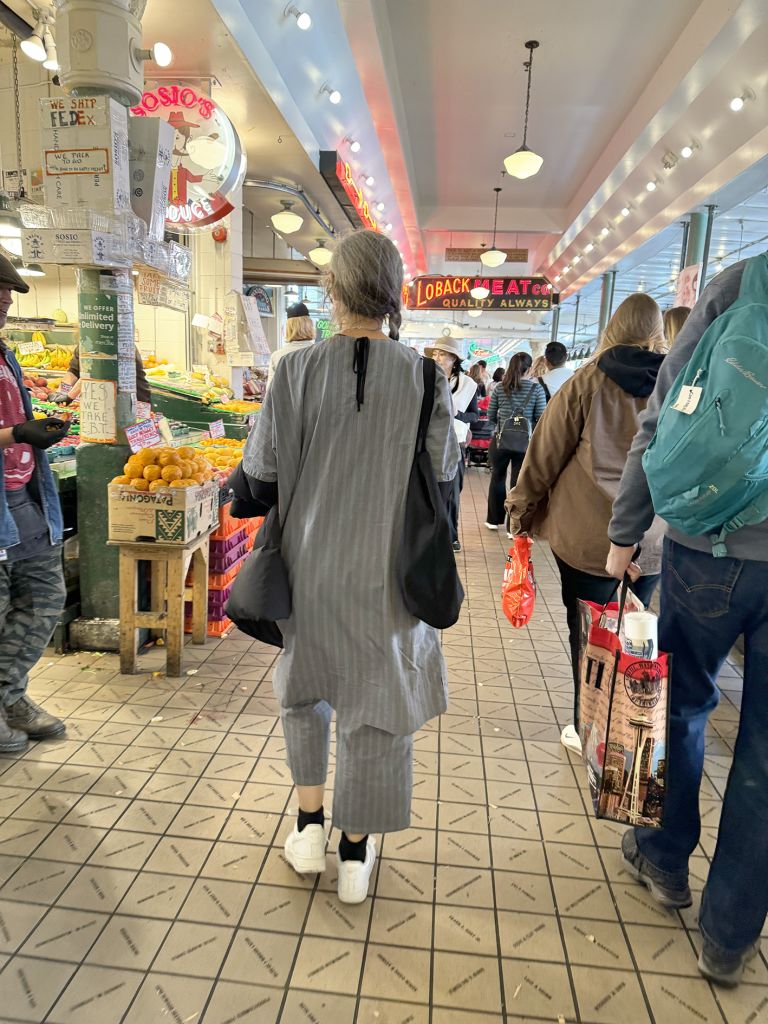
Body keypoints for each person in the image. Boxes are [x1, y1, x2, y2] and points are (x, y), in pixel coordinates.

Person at [233, 230, 458, 904]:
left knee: (305, 693)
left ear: (333, 291)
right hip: (390, 577)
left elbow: (262, 471)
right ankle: (356, 856)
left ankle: (306, 829)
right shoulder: (425, 376)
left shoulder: (292, 370)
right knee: (377, 707)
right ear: (394, 296)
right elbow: (445, 469)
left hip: (307, 568)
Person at [606, 258, 768, 987]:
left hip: (711, 548)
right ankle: (728, 937)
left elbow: (666, 412)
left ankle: (666, 858)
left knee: (683, 707)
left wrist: (626, 530)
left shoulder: (744, 285)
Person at [507, 294, 667, 753]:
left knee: (590, 634)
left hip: (586, 536)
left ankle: (587, 726)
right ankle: (630, 726)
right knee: (635, 630)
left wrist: (521, 510)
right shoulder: (676, 383)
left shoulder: (586, 382)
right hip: (652, 537)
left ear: (611, 329)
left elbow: (545, 455)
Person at [0, 253, 70, 753]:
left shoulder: (6, 354)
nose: (5, 300)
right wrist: (14, 433)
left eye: (8, 293)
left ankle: (10, 697)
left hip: (24, 500)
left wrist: (32, 429)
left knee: (43, 602)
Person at [424, 338, 478, 552]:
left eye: (442, 354)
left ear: (454, 359)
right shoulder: (425, 377)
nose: (437, 358)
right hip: (427, 442)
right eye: (435, 353)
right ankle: (429, 535)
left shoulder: (467, 384)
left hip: (454, 443)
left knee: (452, 491)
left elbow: (475, 415)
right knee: (428, 489)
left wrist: (458, 414)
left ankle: (450, 536)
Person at [484, 352, 546, 532]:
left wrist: (504, 422)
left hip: (500, 441)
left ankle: (493, 520)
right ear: (529, 368)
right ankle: (514, 527)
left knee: (497, 477)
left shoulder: (499, 388)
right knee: (518, 484)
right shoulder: (536, 390)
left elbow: (490, 416)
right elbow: (540, 418)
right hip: (525, 444)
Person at [53, 344, 150, 405]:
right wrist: (61, 392)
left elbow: (94, 374)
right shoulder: (85, 344)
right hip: (106, 401)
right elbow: (73, 372)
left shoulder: (115, 343)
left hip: (134, 402)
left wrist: (69, 397)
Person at [267, 301, 316, 385]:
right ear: (310, 325)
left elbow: (270, 393)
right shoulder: (320, 353)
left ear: (288, 327)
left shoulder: (277, 356)